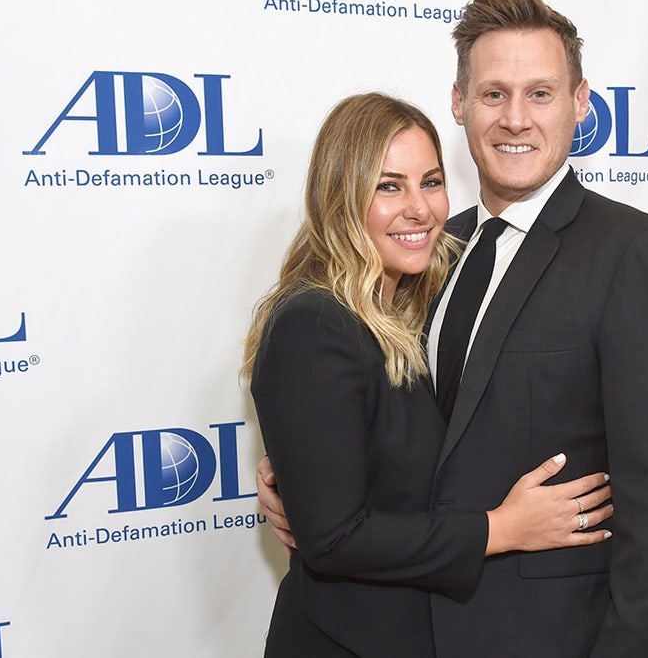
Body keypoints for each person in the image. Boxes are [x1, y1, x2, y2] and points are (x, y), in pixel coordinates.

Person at [259, 0, 648, 654]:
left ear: (580, 102)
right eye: (494, 94)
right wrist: (300, 478)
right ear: (460, 103)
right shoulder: (432, 252)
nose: (515, 119)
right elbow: (374, 415)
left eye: (541, 93)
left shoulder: (637, 256)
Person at [243, 92, 614, 658]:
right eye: (389, 186)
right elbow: (337, 538)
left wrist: (299, 474)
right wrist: (504, 528)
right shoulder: (314, 322)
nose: (419, 208)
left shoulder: (415, 307)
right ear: (341, 197)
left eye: (431, 182)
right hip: (345, 641)